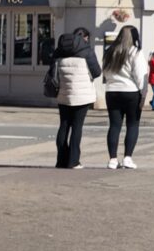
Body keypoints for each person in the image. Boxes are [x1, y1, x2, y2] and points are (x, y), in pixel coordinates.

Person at [51, 27, 101, 169]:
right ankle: (73, 161)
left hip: (63, 94)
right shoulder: (87, 52)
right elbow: (97, 72)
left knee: (64, 126)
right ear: (84, 37)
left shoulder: (59, 52)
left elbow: (52, 73)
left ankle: (61, 160)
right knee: (77, 127)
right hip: (82, 96)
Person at [102, 25, 149, 169]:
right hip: (131, 92)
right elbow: (141, 76)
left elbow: (105, 72)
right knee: (132, 125)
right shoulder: (135, 52)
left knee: (114, 125)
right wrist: (143, 95)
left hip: (112, 91)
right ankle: (128, 157)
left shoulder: (109, 52)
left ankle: (113, 159)